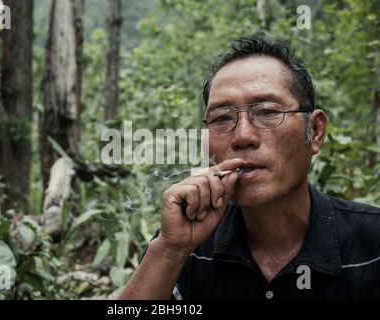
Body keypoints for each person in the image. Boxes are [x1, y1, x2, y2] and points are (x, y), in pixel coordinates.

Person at [118, 36, 380, 300]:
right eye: (222, 117)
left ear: (315, 132)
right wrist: (170, 250)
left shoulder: (372, 243)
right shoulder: (187, 245)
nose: (243, 136)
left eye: (267, 112)